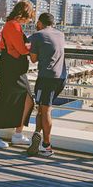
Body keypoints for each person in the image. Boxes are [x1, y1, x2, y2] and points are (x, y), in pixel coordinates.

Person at [0, 0, 35, 148]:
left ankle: (17, 134)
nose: (28, 20)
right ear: (24, 15)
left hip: (11, 67)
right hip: (11, 68)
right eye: (28, 17)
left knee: (24, 98)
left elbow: (0, 45)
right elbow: (22, 50)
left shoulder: (11, 25)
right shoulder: (13, 26)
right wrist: (34, 46)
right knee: (6, 98)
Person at [27, 13, 67, 157]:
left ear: (39, 22)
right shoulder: (61, 34)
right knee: (42, 109)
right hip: (61, 77)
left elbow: (33, 59)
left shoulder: (38, 35)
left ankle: (46, 146)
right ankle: (37, 135)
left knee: (45, 110)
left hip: (47, 78)